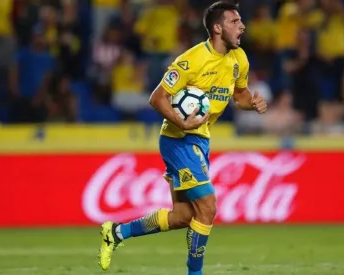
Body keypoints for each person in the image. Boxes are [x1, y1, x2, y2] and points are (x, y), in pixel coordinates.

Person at [97, 1, 268, 274]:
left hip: (201, 140)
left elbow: (240, 95)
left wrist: (253, 103)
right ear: (217, 27)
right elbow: (157, 98)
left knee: (183, 217)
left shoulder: (239, 59)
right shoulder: (191, 60)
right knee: (208, 208)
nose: (242, 26)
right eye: (235, 22)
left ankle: (116, 233)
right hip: (178, 139)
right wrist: (180, 121)